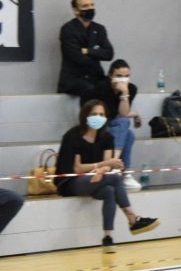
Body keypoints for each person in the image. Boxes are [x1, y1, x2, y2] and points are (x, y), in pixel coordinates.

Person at [56, 100, 160, 252]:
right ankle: (133, 218)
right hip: (70, 181)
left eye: (101, 114)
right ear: (85, 115)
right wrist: (101, 166)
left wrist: (102, 170)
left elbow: (107, 164)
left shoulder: (106, 137)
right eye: (94, 114)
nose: (98, 117)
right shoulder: (73, 136)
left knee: (109, 190)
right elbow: (77, 168)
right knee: (115, 178)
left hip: (96, 178)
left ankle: (108, 238)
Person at [84, 59, 141, 176]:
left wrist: (124, 93)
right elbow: (112, 114)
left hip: (112, 122)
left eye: (126, 76)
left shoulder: (131, 89)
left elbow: (123, 113)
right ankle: (113, 164)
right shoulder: (101, 87)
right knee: (124, 122)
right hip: (97, 122)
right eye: (119, 76)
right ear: (110, 76)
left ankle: (124, 173)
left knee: (129, 135)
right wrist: (134, 114)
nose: (123, 79)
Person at [58, 0, 114, 98]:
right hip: (74, 79)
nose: (90, 8)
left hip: (96, 76)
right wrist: (97, 53)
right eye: (85, 6)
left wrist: (88, 51)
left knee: (117, 87)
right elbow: (77, 58)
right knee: (92, 90)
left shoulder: (99, 28)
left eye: (92, 5)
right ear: (76, 10)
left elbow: (109, 54)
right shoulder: (68, 29)